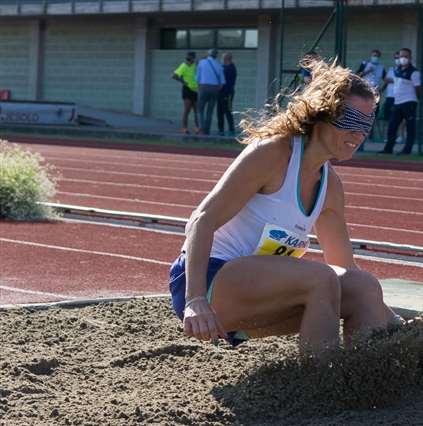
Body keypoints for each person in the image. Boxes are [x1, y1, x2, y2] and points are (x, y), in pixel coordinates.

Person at [168, 58, 407, 357]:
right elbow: (202, 219)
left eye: (367, 125)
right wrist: (195, 300)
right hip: (208, 282)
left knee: (364, 287)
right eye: (351, 122)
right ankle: (318, 389)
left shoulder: (330, 187)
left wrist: (397, 322)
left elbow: (347, 269)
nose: (359, 134)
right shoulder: (274, 153)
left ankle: (369, 384)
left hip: (260, 299)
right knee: (321, 278)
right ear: (323, 111)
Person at [378, 48, 421, 155]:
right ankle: (388, 149)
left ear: (410, 58)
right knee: (392, 126)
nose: (403, 59)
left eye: (406, 56)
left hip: (409, 102)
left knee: (410, 128)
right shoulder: (396, 70)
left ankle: (407, 150)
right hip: (397, 103)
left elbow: (418, 88)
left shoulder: (413, 72)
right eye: (401, 56)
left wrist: (414, 99)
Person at [356, 50, 386, 141]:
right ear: (371, 56)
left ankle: (369, 136)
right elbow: (357, 75)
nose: (375, 57)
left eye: (377, 56)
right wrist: (368, 70)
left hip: (375, 96)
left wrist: (382, 90)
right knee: (362, 113)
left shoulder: (381, 67)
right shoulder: (365, 64)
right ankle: (359, 133)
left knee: (372, 115)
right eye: (374, 55)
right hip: (364, 93)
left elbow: (387, 79)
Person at [196, 48, 226, 136]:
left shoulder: (202, 62)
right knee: (210, 111)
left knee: (200, 109)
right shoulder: (219, 65)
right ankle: (207, 130)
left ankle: (202, 129)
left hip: (203, 87)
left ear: (209, 54)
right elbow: (222, 83)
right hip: (214, 88)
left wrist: (200, 87)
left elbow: (197, 78)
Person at [171, 51, 199, 135]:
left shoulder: (193, 65)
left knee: (196, 111)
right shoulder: (183, 66)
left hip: (195, 90)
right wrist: (182, 81)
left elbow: (199, 60)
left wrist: (207, 55)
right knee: (187, 110)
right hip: (187, 89)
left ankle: (197, 128)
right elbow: (174, 75)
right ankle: (185, 129)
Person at [381, 51, 405, 144]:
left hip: (399, 96)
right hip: (390, 96)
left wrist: (394, 80)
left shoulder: (404, 70)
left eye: (398, 58)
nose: (397, 60)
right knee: (390, 117)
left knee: (400, 117)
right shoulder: (392, 69)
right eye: (395, 58)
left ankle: (401, 136)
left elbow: (402, 81)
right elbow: (386, 80)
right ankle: (391, 137)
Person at [216, 52, 237, 137]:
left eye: (223, 57)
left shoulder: (231, 68)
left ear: (226, 58)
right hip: (220, 93)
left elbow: (221, 77)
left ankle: (231, 130)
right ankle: (221, 130)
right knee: (219, 112)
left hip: (227, 93)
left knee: (228, 111)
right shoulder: (223, 67)